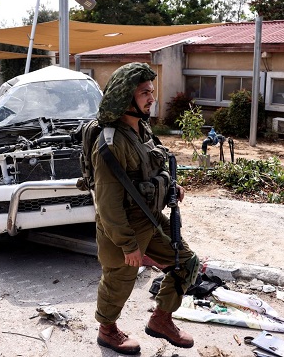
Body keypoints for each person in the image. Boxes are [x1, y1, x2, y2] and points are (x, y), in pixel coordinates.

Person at [92, 62, 200, 354]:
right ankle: (107, 331)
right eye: (143, 93)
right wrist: (128, 246)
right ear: (126, 97)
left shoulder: (142, 129)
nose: (151, 98)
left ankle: (161, 319)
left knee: (187, 263)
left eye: (151, 91)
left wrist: (169, 188)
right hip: (123, 227)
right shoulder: (111, 144)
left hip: (150, 219)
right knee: (119, 282)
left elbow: (149, 171)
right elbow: (107, 203)